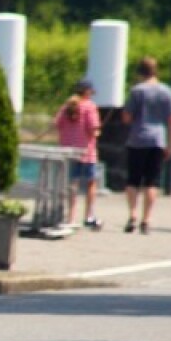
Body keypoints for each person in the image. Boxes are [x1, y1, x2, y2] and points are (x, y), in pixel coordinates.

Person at [120, 56, 171, 233]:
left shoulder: (137, 91)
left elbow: (127, 117)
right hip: (158, 139)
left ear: (140, 72)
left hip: (137, 139)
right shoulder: (167, 92)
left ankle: (133, 215)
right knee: (152, 182)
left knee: (133, 180)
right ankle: (147, 219)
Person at [54, 78, 103, 229]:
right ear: (88, 92)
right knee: (90, 183)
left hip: (68, 152)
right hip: (86, 152)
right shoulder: (90, 107)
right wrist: (98, 131)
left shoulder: (66, 106)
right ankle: (88, 215)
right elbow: (93, 130)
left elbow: (57, 124)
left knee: (71, 184)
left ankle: (70, 217)